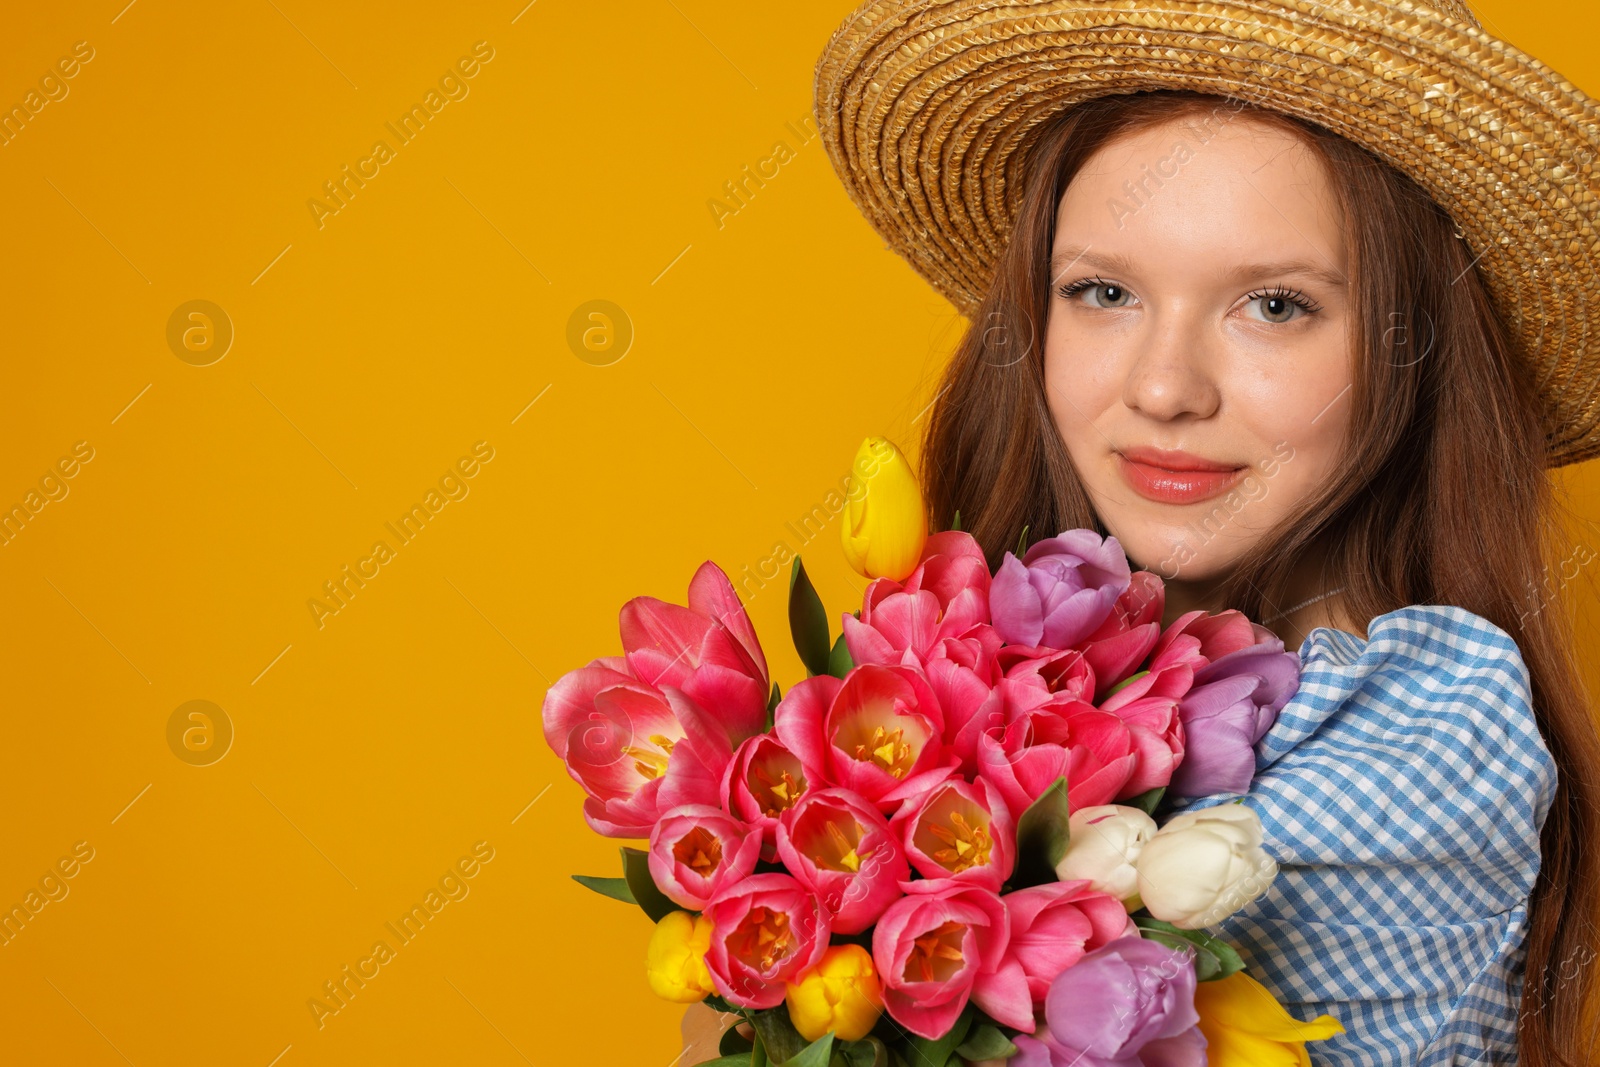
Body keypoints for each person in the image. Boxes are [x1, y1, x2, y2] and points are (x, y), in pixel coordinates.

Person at [684, 0, 1600, 1063]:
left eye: (1273, 305)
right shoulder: (993, 671)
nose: (1164, 388)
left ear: (1414, 348)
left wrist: (807, 863)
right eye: (1104, 290)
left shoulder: (1433, 725)